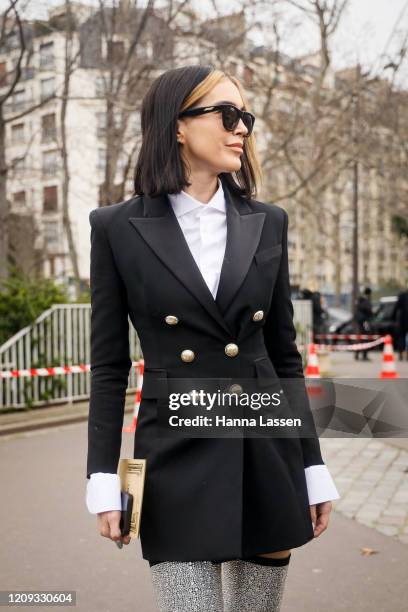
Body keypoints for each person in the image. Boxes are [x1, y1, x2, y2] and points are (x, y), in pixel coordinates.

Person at [85, 65, 340, 612]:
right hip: (175, 452)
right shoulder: (114, 227)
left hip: (264, 447)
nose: (241, 128)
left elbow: (283, 356)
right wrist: (104, 476)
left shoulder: (268, 221)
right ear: (177, 126)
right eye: (226, 115)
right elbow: (109, 366)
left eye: (244, 117)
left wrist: (312, 467)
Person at [353, 287, 373, 361]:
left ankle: (357, 354)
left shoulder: (359, 300)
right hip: (365, 321)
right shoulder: (366, 301)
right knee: (365, 338)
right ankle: (364, 355)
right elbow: (369, 311)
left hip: (360, 321)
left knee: (360, 338)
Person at [392, 289, 408, 361]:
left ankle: (401, 353)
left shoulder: (401, 296)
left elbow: (396, 308)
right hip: (403, 320)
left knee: (401, 338)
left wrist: (393, 318)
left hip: (402, 321)